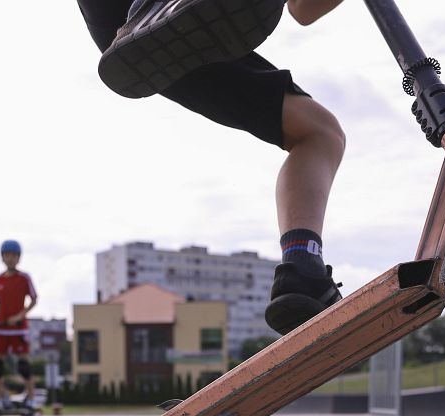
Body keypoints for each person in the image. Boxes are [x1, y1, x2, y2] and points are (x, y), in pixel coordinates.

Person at [78, 0, 348, 335]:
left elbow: (302, 9)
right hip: (154, 20)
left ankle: (303, 267)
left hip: (140, 32)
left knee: (319, 133)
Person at [0, 240, 38, 407]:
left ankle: (31, 398)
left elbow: (34, 299)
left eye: (14, 256)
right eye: (7, 255)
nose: (10, 259)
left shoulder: (24, 278)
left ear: (19, 258)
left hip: (18, 329)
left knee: (24, 366)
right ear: (2, 257)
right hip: (1, 328)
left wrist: (20, 316)